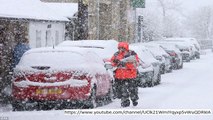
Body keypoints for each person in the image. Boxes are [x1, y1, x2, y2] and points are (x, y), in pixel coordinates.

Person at [110, 41, 139, 107]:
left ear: (126, 48)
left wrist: (126, 64)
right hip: (120, 76)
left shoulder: (132, 54)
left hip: (130, 75)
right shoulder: (116, 54)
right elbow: (112, 62)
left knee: (132, 89)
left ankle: (134, 99)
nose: (121, 50)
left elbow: (135, 64)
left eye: (122, 48)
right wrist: (115, 62)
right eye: (119, 48)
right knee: (123, 90)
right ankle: (125, 102)